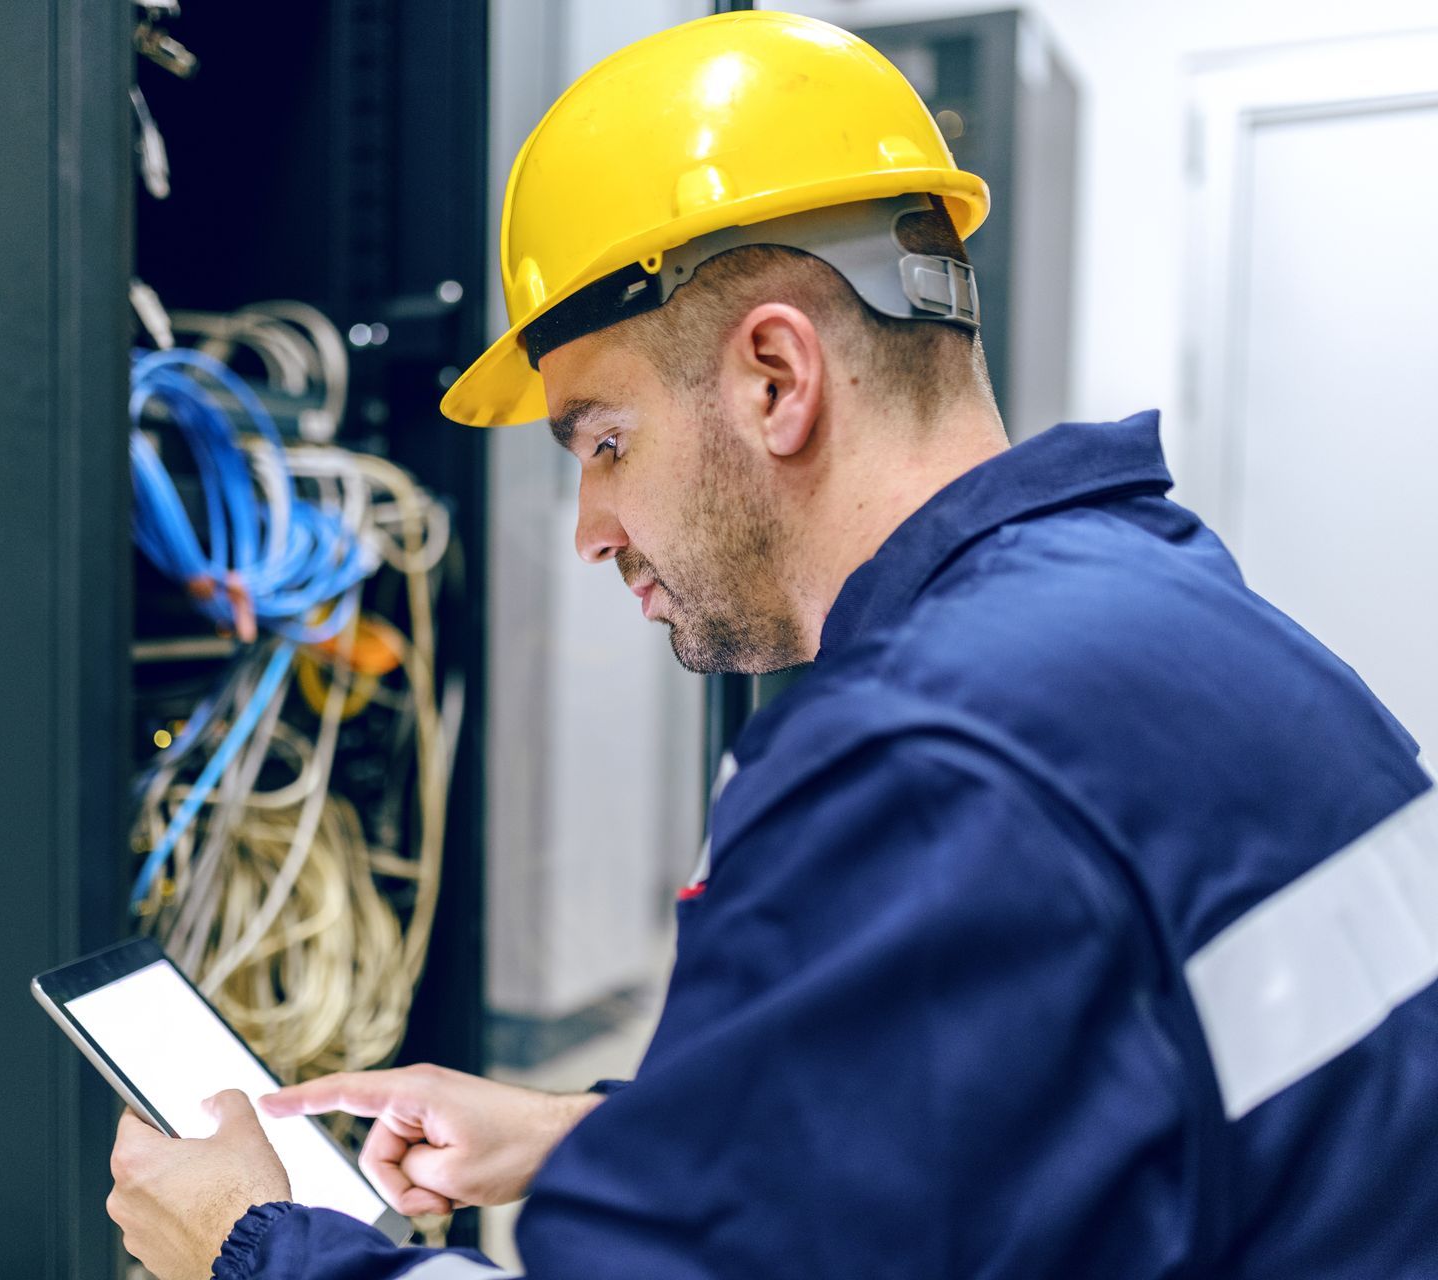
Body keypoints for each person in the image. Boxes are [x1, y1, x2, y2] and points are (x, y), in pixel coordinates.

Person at [105, 12, 1438, 1279]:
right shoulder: (1171, 612)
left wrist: (250, 1243)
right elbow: (1050, 1112)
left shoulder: (922, 759)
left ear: (774, 379)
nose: (593, 528)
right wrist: (602, 1131)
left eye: (603, 443)